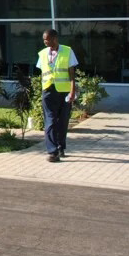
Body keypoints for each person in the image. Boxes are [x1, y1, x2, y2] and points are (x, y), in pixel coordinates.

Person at [37, 28, 79, 163]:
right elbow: (42, 72)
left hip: (64, 91)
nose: (45, 41)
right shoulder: (42, 54)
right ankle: (52, 152)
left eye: (47, 39)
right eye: (44, 39)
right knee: (50, 120)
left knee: (62, 120)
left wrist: (72, 91)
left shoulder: (67, 51)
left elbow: (72, 74)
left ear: (55, 38)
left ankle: (61, 147)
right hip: (48, 91)